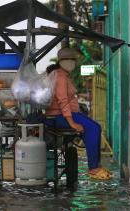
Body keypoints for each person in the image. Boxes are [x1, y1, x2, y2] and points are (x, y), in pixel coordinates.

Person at [45, 47, 112, 180]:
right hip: (60, 116)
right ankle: (93, 168)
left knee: (95, 127)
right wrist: (72, 123)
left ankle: (95, 165)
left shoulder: (63, 75)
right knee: (93, 128)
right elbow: (63, 101)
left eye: (73, 60)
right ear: (61, 62)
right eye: (68, 60)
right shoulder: (60, 76)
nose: (71, 63)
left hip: (67, 114)